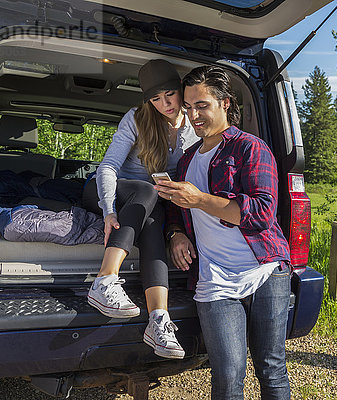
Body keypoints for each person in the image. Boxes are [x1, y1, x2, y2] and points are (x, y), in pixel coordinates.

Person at [156, 66, 291, 399]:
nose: (193, 114)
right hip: (214, 280)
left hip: (264, 272)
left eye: (202, 105)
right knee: (228, 375)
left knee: (271, 368)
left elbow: (261, 214)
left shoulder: (250, 148)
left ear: (225, 103)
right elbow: (176, 208)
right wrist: (175, 233)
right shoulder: (187, 161)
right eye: (188, 107)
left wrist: (200, 199)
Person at [82, 59, 198, 359]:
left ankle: (158, 320)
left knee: (154, 219)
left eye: (169, 95)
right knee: (147, 190)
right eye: (155, 98)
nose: (164, 104)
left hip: (148, 202)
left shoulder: (194, 128)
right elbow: (108, 166)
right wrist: (108, 209)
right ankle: (104, 280)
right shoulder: (137, 118)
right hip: (106, 190)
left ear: (180, 90)